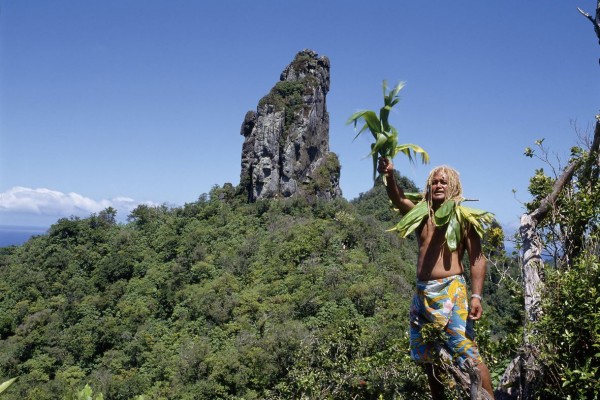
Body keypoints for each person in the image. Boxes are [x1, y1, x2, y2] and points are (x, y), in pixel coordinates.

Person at [378, 157, 495, 399]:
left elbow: (477, 258)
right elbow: (398, 198)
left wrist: (476, 296)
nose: (438, 185)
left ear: (453, 186)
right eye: (434, 182)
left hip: (452, 292)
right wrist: (389, 175)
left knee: (467, 352)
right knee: (429, 356)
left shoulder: (464, 219)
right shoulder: (421, 215)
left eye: (444, 181)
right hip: (422, 294)